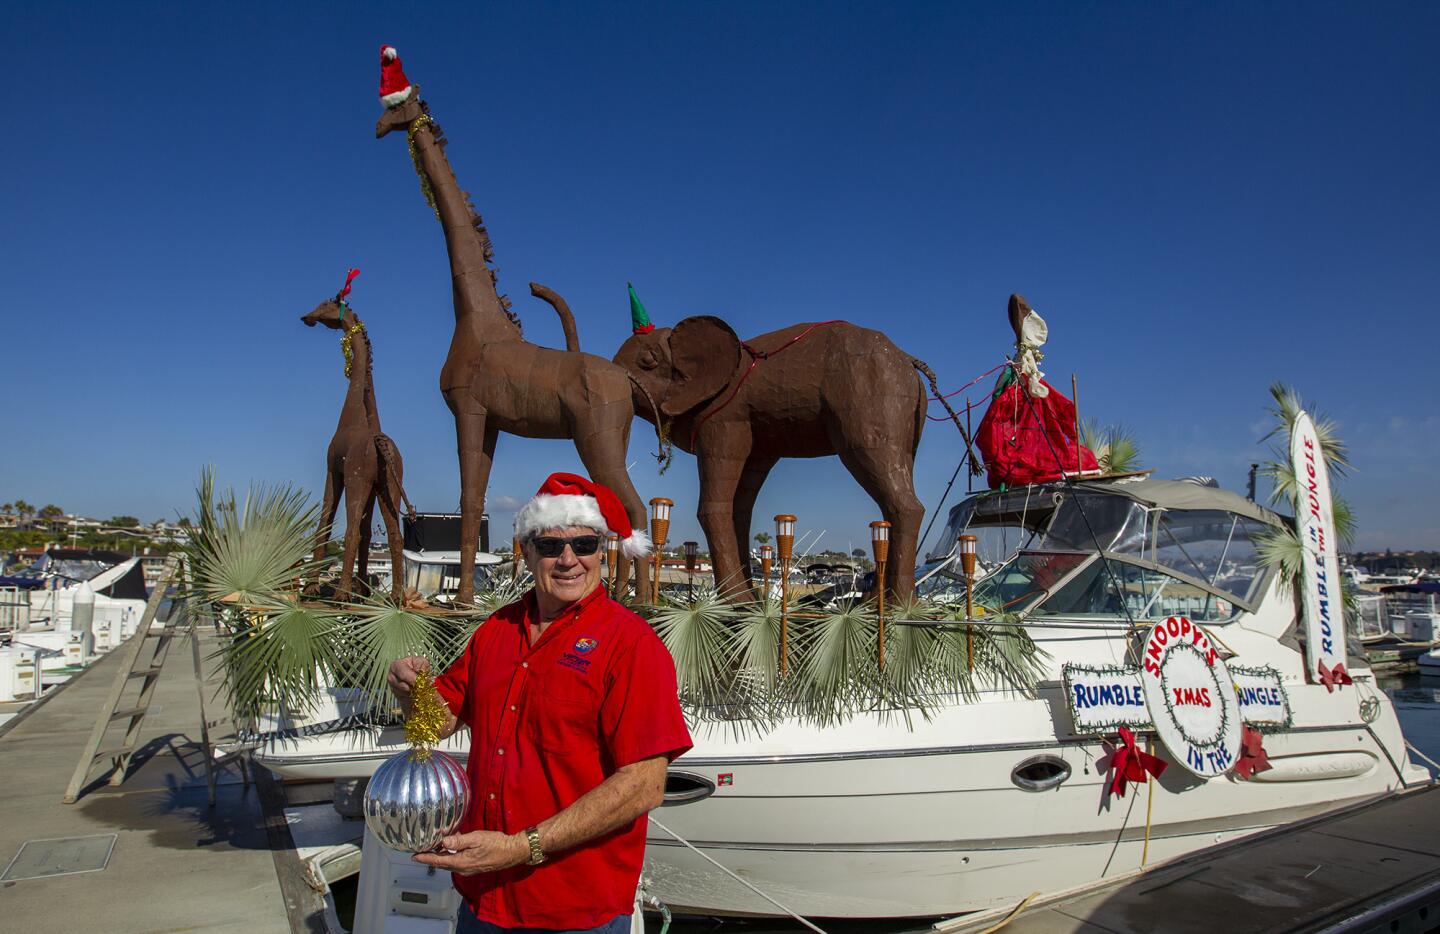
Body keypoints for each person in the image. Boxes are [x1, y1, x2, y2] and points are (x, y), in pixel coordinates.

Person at [388, 472, 691, 934]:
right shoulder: (497, 630)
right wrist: (412, 693)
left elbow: (644, 786)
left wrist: (519, 847)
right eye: (551, 547)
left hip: (573, 913)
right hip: (483, 897)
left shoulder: (631, 645)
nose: (569, 560)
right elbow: (435, 724)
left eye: (585, 545)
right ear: (526, 552)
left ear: (601, 550)